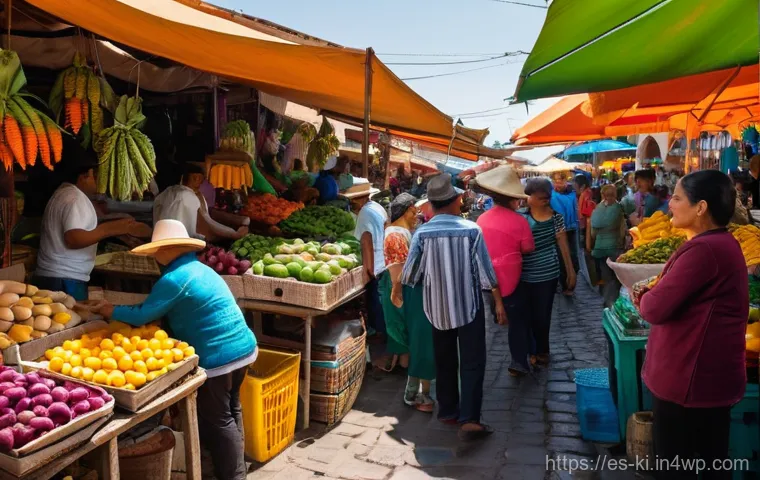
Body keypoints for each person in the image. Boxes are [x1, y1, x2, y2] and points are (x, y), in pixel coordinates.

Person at [98, 220, 257, 480]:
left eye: (157, 252)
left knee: (218, 419)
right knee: (231, 409)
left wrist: (110, 311)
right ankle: (234, 467)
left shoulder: (174, 278)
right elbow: (160, 306)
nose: (155, 258)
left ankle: (233, 475)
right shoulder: (199, 269)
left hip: (220, 356)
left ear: (166, 250)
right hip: (244, 346)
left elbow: (142, 315)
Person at [633, 170, 746, 480]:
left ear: (701, 208)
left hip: (690, 381)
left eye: (678, 198)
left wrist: (645, 298)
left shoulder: (705, 250)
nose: (670, 204)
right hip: (702, 378)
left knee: (679, 467)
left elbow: (654, 308)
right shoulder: (717, 244)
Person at [401, 173, 506, 441]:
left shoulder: (421, 233)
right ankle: (470, 418)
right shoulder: (471, 230)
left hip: (435, 309)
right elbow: (485, 274)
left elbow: (410, 276)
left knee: (445, 360)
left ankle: (448, 411)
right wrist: (498, 301)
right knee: (472, 362)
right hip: (469, 306)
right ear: (456, 199)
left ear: (433, 204)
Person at [34, 144, 148, 300]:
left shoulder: (66, 193)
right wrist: (111, 229)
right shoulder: (73, 198)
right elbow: (74, 238)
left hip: (60, 277)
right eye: (95, 175)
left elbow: (82, 230)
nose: (97, 181)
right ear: (84, 176)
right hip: (64, 279)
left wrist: (119, 233)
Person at [474, 166, 535, 376]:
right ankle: (518, 361)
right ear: (512, 199)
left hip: (486, 280)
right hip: (513, 278)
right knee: (518, 322)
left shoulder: (481, 220)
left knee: (497, 318)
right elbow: (528, 248)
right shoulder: (520, 221)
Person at [378, 193, 436, 411]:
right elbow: (398, 275)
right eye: (414, 211)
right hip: (402, 289)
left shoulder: (404, 232)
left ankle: (414, 386)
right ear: (406, 211)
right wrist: (399, 297)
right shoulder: (394, 235)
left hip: (407, 289)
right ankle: (416, 392)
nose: (417, 216)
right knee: (411, 336)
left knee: (414, 339)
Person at [520, 178, 576, 366]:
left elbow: (563, 245)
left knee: (543, 314)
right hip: (524, 273)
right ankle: (530, 350)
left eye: (545, 195)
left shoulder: (556, 217)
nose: (544, 198)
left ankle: (542, 350)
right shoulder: (521, 217)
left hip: (548, 273)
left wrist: (571, 271)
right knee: (527, 314)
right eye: (539, 195)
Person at [153, 164, 248, 242]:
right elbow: (204, 226)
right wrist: (234, 234)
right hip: (181, 245)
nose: (199, 181)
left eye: (200, 179)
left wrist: (239, 220)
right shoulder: (187, 196)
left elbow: (207, 215)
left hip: (158, 241)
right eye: (195, 177)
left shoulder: (168, 192)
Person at [354, 194, 389, 337]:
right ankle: (383, 331)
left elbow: (366, 239)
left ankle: (379, 333)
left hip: (375, 266)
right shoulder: (377, 207)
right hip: (384, 262)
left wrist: (369, 269)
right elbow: (388, 225)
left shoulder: (363, 214)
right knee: (382, 302)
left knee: (375, 302)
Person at [588, 185, 625, 307]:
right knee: (617, 277)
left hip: (599, 248)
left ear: (602, 195)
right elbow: (622, 230)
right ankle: (613, 302)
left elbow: (593, 233)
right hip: (615, 246)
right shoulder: (619, 208)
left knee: (606, 276)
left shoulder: (597, 209)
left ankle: (606, 300)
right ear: (615, 194)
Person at [550, 172, 579, 296]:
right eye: (555, 181)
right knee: (561, 258)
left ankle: (572, 282)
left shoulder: (573, 194)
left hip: (571, 229)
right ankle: (565, 285)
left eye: (560, 181)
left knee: (573, 257)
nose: (558, 184)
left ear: (565, 181)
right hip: (558, 229)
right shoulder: (551, 195)